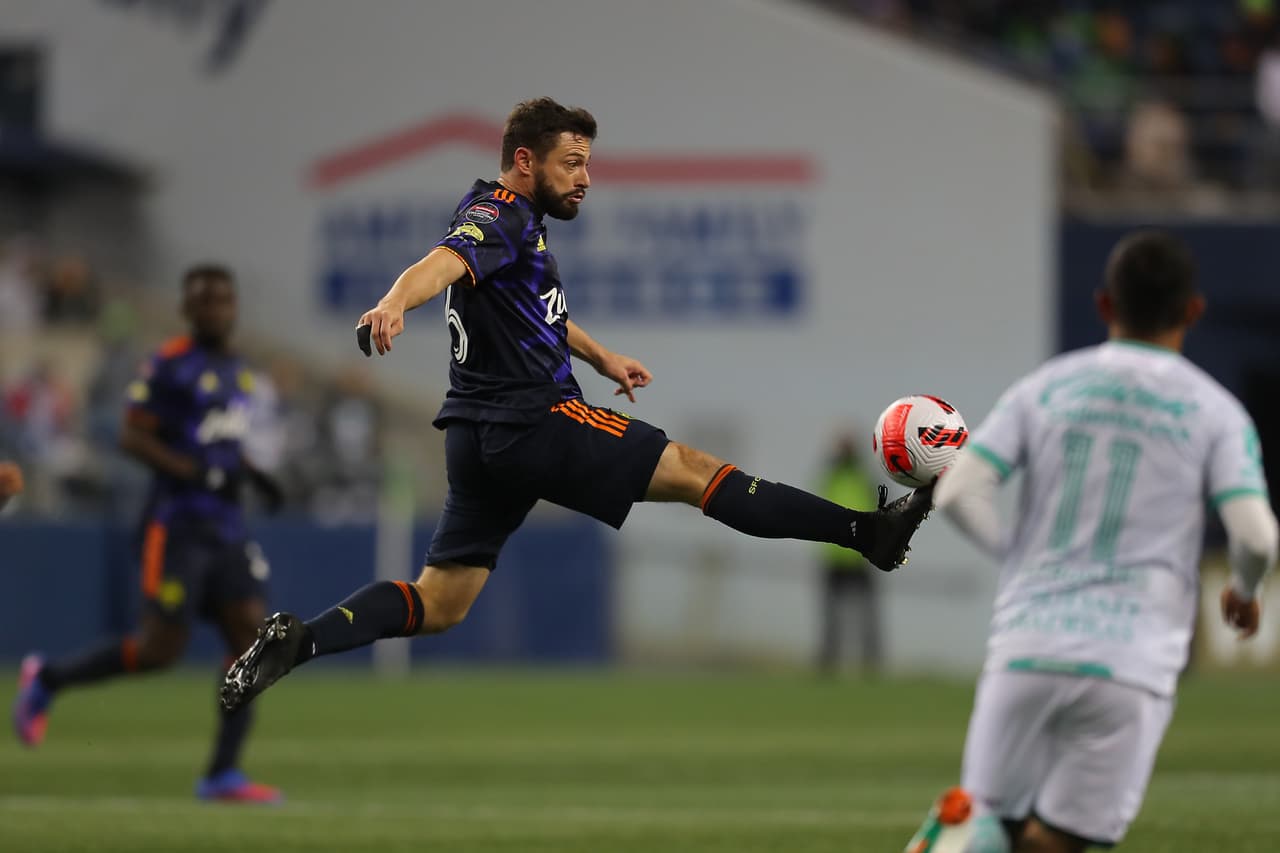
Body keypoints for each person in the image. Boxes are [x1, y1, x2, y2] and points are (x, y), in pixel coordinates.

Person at [219, 97, 934, 713]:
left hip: (475, 437)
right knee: (692, 469)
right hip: (533, 420)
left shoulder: (516, 227)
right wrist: (393, 301)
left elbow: (535, 312)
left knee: (439, 602)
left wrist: (602, 357)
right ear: (525, 162)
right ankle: (864, 532)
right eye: (573, 163)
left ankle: (303, 637)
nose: (585, 179)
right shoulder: (498, 215)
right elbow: (440, 262)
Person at [905, 231, 1279, 853]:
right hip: (1129, 659)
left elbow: (955, 492)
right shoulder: (1216, 412)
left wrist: (1016, 557)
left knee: (987, 823)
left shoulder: (1045, 387)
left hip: (1026, 643)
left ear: (1105, 305)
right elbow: (1257, 535)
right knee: (1060, 841)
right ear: (1193, 310)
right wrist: (1244, 592)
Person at [12, 265, 287, 803]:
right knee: (159, 650)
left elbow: (223, 443)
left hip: (227, 526)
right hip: (178, 523)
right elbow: (132, 437)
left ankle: (222, 773)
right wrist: (192, 472)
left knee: (252, 638)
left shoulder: (237, 370)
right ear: (188, 310)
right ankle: (47, 680)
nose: (215, 310)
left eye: (223, 301)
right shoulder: (169, 365)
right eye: (204, 302)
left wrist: (254, 475)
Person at [816, 431, 883, 674]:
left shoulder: (864, 476)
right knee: (831, 616)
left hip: (860, 555)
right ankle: (828, 663)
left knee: (866, 615)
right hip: (834, 556)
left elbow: (880, 510)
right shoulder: (830, 475)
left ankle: (870, 664)